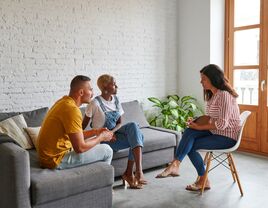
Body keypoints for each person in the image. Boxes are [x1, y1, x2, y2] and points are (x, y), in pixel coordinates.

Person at [156, 64, 241, 191]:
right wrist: (196, 122)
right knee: (190, 131)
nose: (201, 81)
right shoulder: (213, 95)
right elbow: (209, 117)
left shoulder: (224, 96)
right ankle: (176, 164)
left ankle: (202, 179)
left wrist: (199, 127)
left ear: (214, 79)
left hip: (227, 136)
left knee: (192, 146)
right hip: (216, 132)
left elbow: (222, 124)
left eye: (204, 78)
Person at [82, 74, 146, 189]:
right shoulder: (94, 103)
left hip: (115, 135)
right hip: (103, 140)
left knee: (134, 127)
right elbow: (82, 127)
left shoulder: (116, 100)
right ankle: (130, 173)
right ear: (105, 87)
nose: (117, 86)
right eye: (114, 84)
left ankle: (137, 171)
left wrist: (112, 132)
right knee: (139, 136)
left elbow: (120, 123)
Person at [37, 75, 114, 170]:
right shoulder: (72, 110)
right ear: (81, 92)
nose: (92, 93)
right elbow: (80, 148)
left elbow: (75, 135)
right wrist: (101, 137)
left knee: (95, 142)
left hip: (47, 157)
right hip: (55, 159)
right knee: (107, 150)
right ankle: (100, 181)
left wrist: (96, 132)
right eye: (90, 90)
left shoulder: (63, 102)